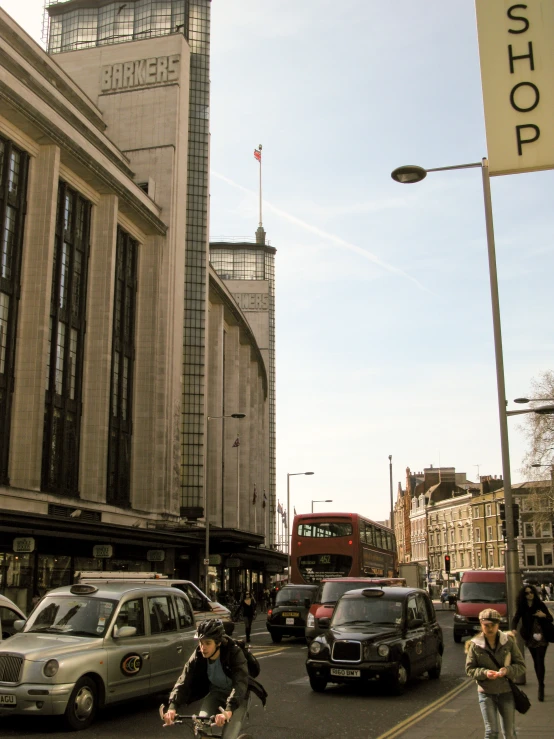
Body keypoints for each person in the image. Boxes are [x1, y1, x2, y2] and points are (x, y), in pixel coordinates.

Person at [162, 619, 266, 739]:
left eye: (208, 643)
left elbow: (240, 683)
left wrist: (228, 710)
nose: (203, 647)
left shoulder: (234, 653)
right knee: (201, 728)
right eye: (201, 643)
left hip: (238, 699)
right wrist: (172, 707)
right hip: (216, 693)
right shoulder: (199, 655)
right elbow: (184, 679)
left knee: (228, 737)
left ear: (218, 643)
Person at [466, 608, 525, 739]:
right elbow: (470, 669)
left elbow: (521, 665)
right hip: (486, 693)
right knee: (491, 732)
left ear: (498, 624)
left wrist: (508, 670)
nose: (490, 628)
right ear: (481, 625)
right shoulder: (475, 645)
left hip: (506, 692)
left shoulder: (508, 642)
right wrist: (485, 673)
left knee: (509, 733)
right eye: (486, 625)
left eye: (493, 625)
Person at [511, 583, 553, 702]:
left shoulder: (540, 604)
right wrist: (513, 629)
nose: (530, 595)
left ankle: (541, 686)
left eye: (531, 592)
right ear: (523, 595)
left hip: (542, 637)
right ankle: (540, 682)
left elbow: (550, 618)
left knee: (540, 660)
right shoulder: (522, 607)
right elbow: (516, 618)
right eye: (527, 593)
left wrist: (543, 615)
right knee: (535, 661)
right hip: (530, 638)